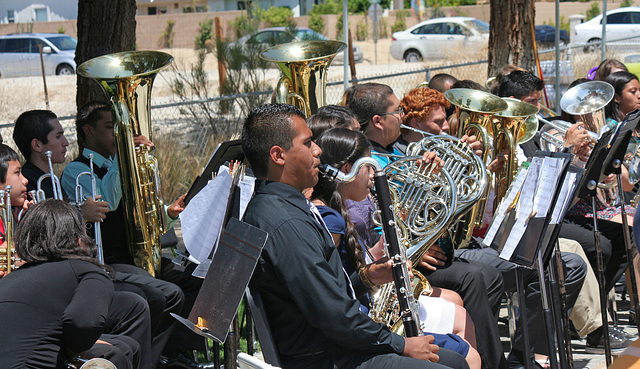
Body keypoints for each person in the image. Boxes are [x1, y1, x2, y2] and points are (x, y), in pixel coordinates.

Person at [242, 103, 470, 369]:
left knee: (455, 360)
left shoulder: (279, 207)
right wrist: (402, 345)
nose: (317, 151)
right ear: (278, 155)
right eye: (308, 143)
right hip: (331, 357)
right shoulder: (287, 223)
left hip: (336, 346)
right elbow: (331, 313)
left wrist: (367, 277)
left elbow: (325, 293)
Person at [346, 83, 506, 369]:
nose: (404, 116)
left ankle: (489, 359)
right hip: (399, 262)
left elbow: (430, 208)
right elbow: (386, 221)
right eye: (398, 111)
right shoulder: (370, 164)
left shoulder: (400, 150)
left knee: (488, 274)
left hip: (414, 254)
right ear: (378, 121)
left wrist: (454, 172)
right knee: (474, 278)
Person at [11, 108, 185, 366]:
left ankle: (158, 358)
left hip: (83, 271)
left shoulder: (51, 180)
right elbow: (43, 243)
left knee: (163, 292)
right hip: (69, 280)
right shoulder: (35, 185)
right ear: (37, 145)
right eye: (58, 136)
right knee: (148, 299)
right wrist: (80, 214)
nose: (67, 142)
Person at [311, 127, 481, 369]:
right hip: (362, 330)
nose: (373, 175)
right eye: (368, 167)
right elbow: (338, 292)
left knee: (463, 343)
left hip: (367, 318)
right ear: (347, 170)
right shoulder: (331, 221)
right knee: (466, 353)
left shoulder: (341, 208)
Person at [58, 101, 206, 362]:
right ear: (88, 131)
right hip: (112, 259)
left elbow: (141, 205)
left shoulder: (117, 163)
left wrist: (167, 213)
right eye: (109, 127)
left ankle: (178, 350)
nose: (117, 133)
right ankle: (149, 358)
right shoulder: (76, 170)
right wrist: (124, 154)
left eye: (119, 128)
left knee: (198, 278)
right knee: (167, 294)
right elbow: (109, 202)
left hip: (138, 254)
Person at [0, 199, 153, 369]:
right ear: (77, 238)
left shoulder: (10, 279)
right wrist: (77, 349)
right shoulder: (86, 272)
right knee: (122, 350)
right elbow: (84, 323)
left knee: (123, 344)